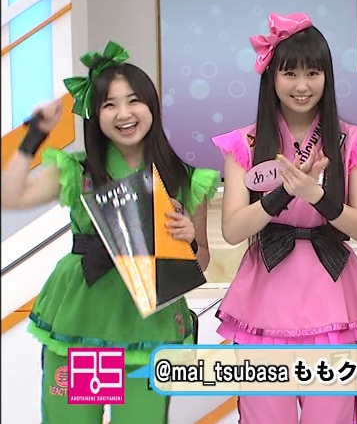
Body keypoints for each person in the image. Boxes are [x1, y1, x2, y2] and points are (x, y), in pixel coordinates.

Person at [0, 41, 219, 424]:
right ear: (96, 115)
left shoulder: (183, 177)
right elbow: (11, 196)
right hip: (86, 322)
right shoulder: (80, 171)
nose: (124, 114)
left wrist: (190, 240)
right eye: (109, 104)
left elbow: (201, 262)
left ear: (151, 106)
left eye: (133, 101)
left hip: (149, 327)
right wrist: (35, 135)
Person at [211, 12, 357, 424]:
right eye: (290, 73)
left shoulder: (353, 141)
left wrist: (317, 196)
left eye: (313, 73)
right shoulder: (244, 142)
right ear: (271, 77)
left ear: (327, 77)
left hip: (332, 291)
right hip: (264, 293)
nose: (302, 85)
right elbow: (233, 230)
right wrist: (283, 195)